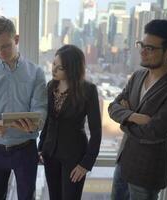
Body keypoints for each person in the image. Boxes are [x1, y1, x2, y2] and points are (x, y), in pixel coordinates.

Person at [108, 19, 167, 200]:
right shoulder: (138, 76)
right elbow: (112, 107)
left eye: (150, 48)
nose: (142, 52)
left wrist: (124, 120)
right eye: (142, 45)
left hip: (147, 171)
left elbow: (155, 131)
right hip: (123, 163)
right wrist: (135, 117)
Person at [0, 16, 47, 200]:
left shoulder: (36, 73)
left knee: (26, 197)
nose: (0, 52)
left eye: (5, 46)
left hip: (25, 149)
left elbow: (40, 108)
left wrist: (35, 124)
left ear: (16, 39)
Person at [38, 44, 102, 200]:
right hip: (50, 153)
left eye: (59, 68)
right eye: (53, 64)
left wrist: (86, 164)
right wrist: (41, 146)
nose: (53, 70)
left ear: (71, 69)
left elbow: (96, 131)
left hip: (74, 157)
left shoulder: (88, 90)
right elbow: (48, 121)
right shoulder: (50, 86)